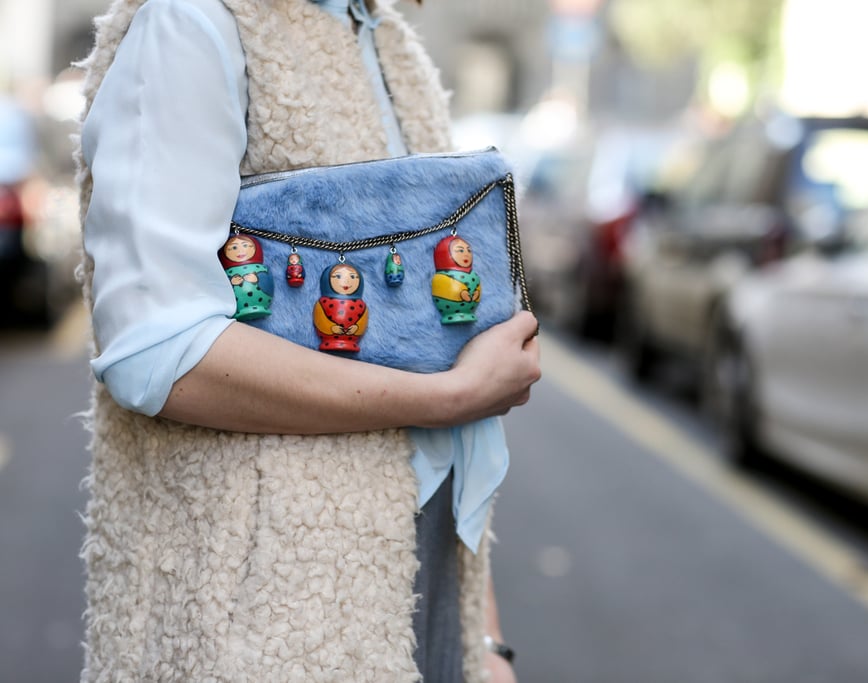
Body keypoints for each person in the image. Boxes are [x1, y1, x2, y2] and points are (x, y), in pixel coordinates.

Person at [74, 0, 541, 681]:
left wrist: (485, 640)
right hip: (262, 630)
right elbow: (156, 352)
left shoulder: (390, 44)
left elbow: (443, 350)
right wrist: (450, 395)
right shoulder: (193, 22)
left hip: (426, 600)